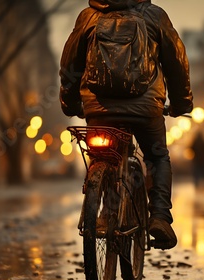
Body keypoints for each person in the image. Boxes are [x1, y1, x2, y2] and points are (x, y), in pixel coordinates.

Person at [59, 0, 193, 249]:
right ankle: (160, 218)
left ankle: (102, 211)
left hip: (100, 109)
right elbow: (177, 63)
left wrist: (71, 103)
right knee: (156, 157)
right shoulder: (154, 16)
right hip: (145, 109)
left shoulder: (88, 17)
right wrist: (181, 104)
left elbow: (70, 65)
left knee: (104, 156)